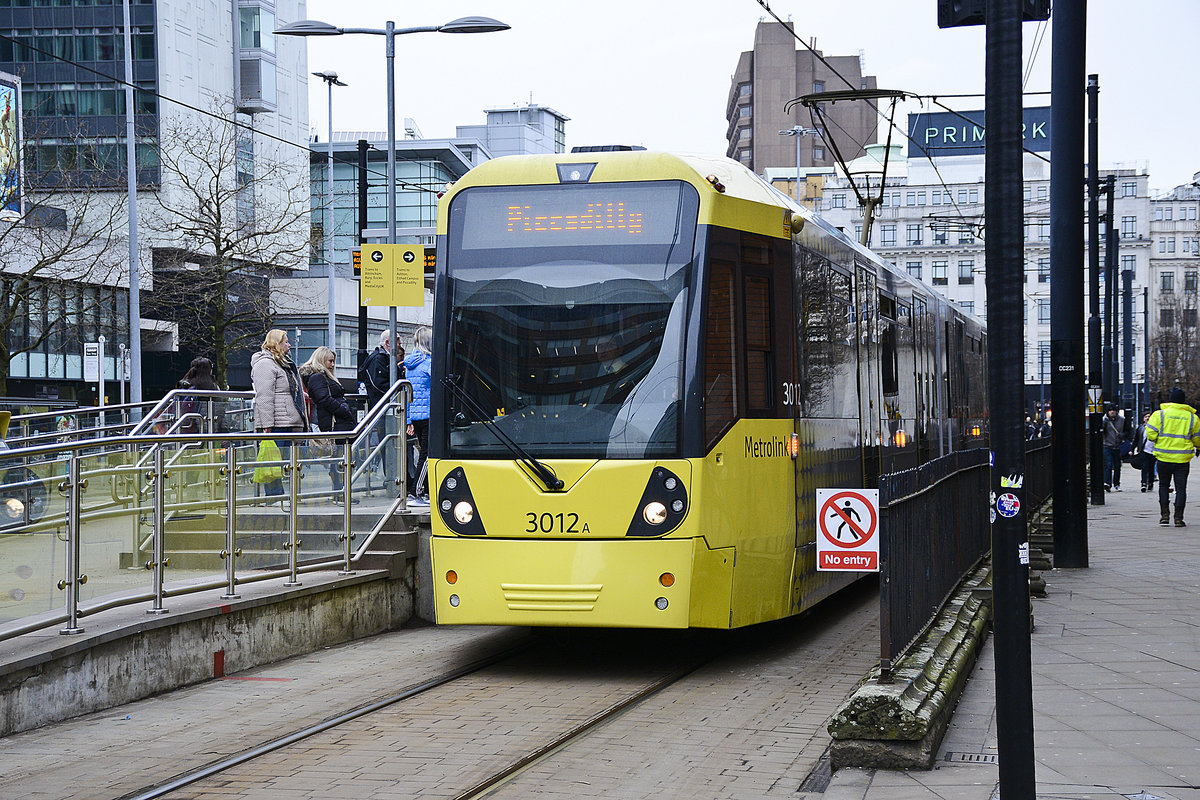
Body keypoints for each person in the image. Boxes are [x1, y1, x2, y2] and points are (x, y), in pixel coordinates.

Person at [251, 330, 308, 502]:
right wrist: (267, 425)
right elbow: (264, 396)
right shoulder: (265, 364)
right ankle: (274, 497)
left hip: (286, 420)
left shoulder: (281, 363)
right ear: (276, 343)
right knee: (273, 462)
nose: (289, 345)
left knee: (283, 461)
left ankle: (281, 496)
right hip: (276, 423)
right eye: (285, 341)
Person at [300, 346, 357, 502]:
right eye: (330, 361)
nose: (332, 364)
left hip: (338, 421)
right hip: (335, 422)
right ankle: (340, 493)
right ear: (321, 359)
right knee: (340, 458)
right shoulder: (318, 377)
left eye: (333, 361)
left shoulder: (321, 376)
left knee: (342, 458)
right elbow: (323, 399)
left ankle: (341, 492)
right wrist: (343, 411)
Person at [1145, 387, 1200, 527]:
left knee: (1163, 486)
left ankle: (1164, 515)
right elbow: (1197, 439)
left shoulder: (1159, 415)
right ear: (1183, 401)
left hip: (1163, 458)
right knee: (1181, 488)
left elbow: (1151, 435)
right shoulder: (1192, 417)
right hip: (1182, 460)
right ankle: (1178, 518)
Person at [403, 326, 432, 507]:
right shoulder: (430, 363)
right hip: (429, 414)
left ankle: (424, 491)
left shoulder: (410, 365)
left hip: (416, 415)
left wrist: (408, 420)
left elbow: (407, 393)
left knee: (424, 454)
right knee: (428, 455)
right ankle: (417, 491)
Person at [177, 356, 220, 433]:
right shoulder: (212, 386)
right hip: (204, 423)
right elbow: (219, 407)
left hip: (184, 421)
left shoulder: (185, 383)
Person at [1101, 405, 1127, 491]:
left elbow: (1128, 431)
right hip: (1107, 445)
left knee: (1117, 466)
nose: (1112, 412)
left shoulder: (1122, 420)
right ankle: (1107, 482)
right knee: (1108, 464)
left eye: (1113, 410)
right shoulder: (1104, 420)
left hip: (1117, 446)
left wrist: (1123, 435)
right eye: (1110, 410)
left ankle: (1116, 484)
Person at [1133, 411, 1156, 493]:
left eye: (1149, 416)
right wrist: (1132, 449)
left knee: (1151, 468)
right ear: (1143, 419)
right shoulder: (1141, 428)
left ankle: (1150, 482)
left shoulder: (1156, 428)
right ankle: (1143, 483)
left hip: (1153, 451)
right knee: (1144, 467)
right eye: (1146, 416)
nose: (1148, 418)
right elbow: (1136, 439)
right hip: (1144, 450)